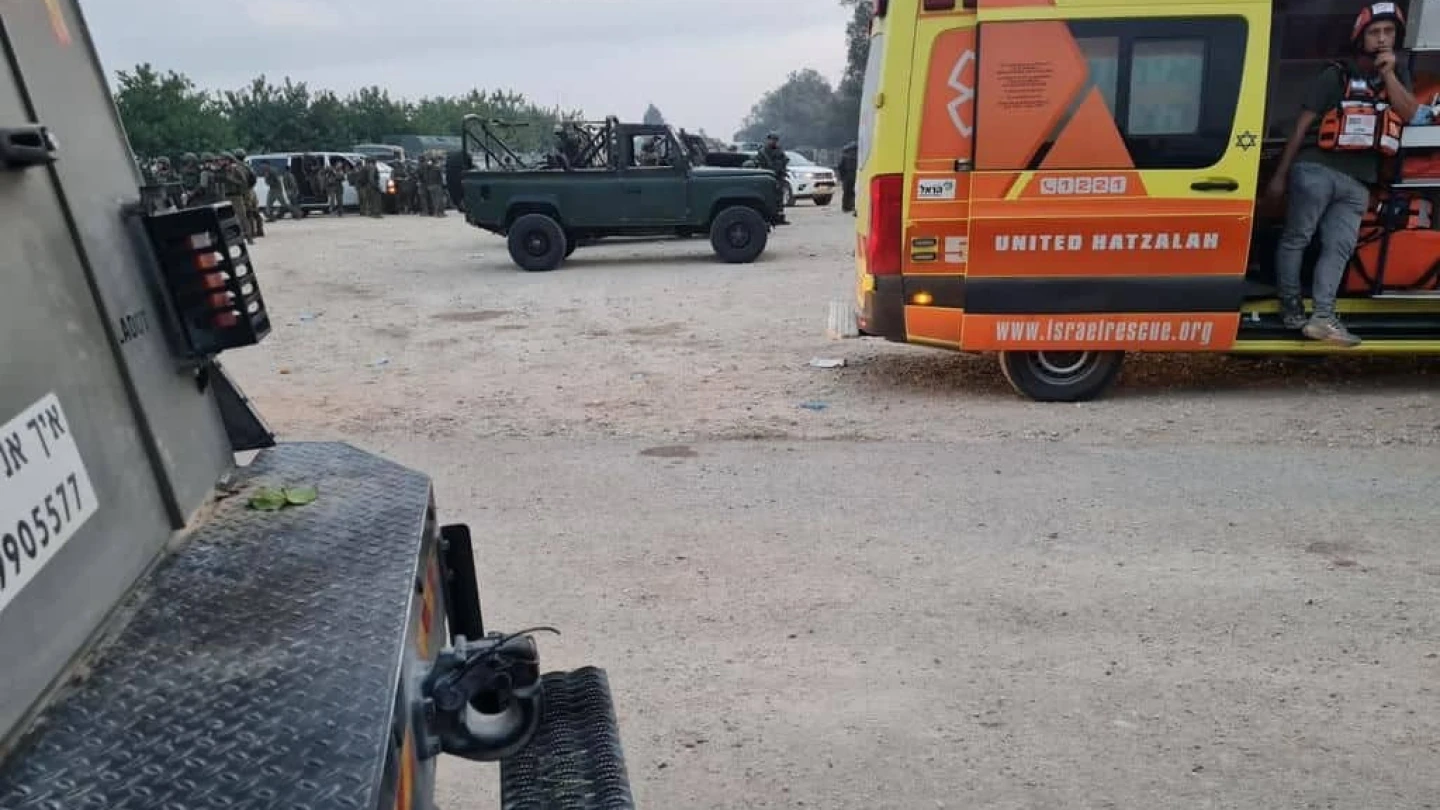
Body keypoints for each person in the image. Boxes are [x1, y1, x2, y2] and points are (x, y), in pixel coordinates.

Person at [1268, 2, 1418, 347]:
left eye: (1388, 32)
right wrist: (1279, 176)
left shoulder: (1399, 75)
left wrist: (1391, 74)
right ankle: (1291, 310)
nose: (1382, 39)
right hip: (1316, 168)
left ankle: (1322, 317)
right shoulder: (1334, 74)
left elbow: (1409, 114)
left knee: (1339, 247)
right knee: (1298, 237)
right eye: (1375, 32)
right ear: (1360, 37)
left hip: (1358, 182)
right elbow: (1301, 126)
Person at [754, 132, 790, 222]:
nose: (773, 142)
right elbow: (758, 163)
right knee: (769, 197)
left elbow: (785, 160)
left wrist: (782, 169)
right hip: (768, 177)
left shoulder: (779, 150)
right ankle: (770, 217)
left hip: (778, 176)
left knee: (779, 198)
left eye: (775, 140)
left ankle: (779, 217)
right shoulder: (763, 152)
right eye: (772, 139)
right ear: (768, 140)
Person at [837, 141, 858, 214]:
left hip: (847, 176)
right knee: (855, 192)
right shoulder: (859, 155)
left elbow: (840, 167)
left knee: (846, 193)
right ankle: (854, 206)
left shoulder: (845, 155)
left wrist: (842, 177)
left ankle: (846, 207)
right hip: (856, 175)